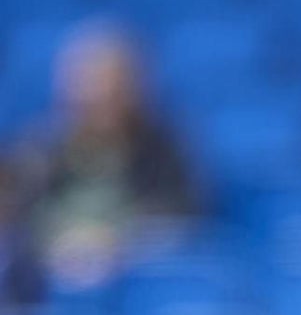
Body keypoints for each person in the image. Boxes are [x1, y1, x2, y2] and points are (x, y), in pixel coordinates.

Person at [4, 20, 200, 293]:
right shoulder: (40, 150)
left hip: (133, 282)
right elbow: (19, 221)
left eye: (108, 86)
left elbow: (180, 214)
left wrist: (114, 240)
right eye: (83, 85)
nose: (95, 97)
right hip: (48, 284)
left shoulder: (165, 151)